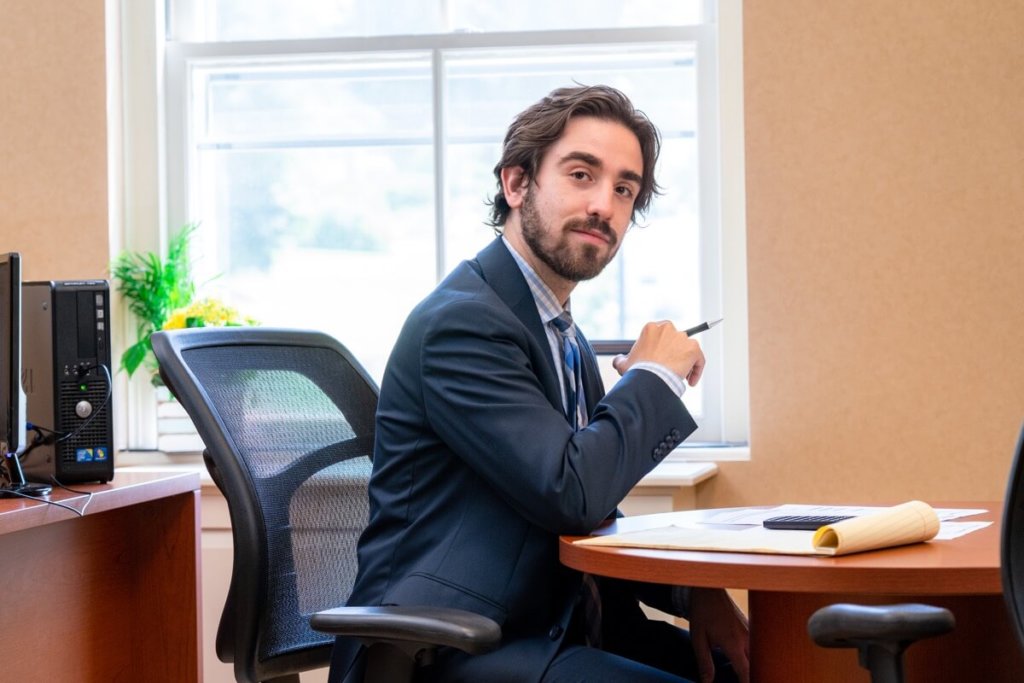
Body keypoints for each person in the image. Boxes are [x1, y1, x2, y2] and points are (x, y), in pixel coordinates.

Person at [328, 84, 749, 683]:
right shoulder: (464, 323)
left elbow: (594, 505)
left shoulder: (561, 333)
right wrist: (654, 377)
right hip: (450, 645)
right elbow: (570, 491)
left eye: (624, 189)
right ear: (517, 184)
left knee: (749, 669)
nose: (605, 204)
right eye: (582, 175)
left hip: (549, 625)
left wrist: (695, 594)